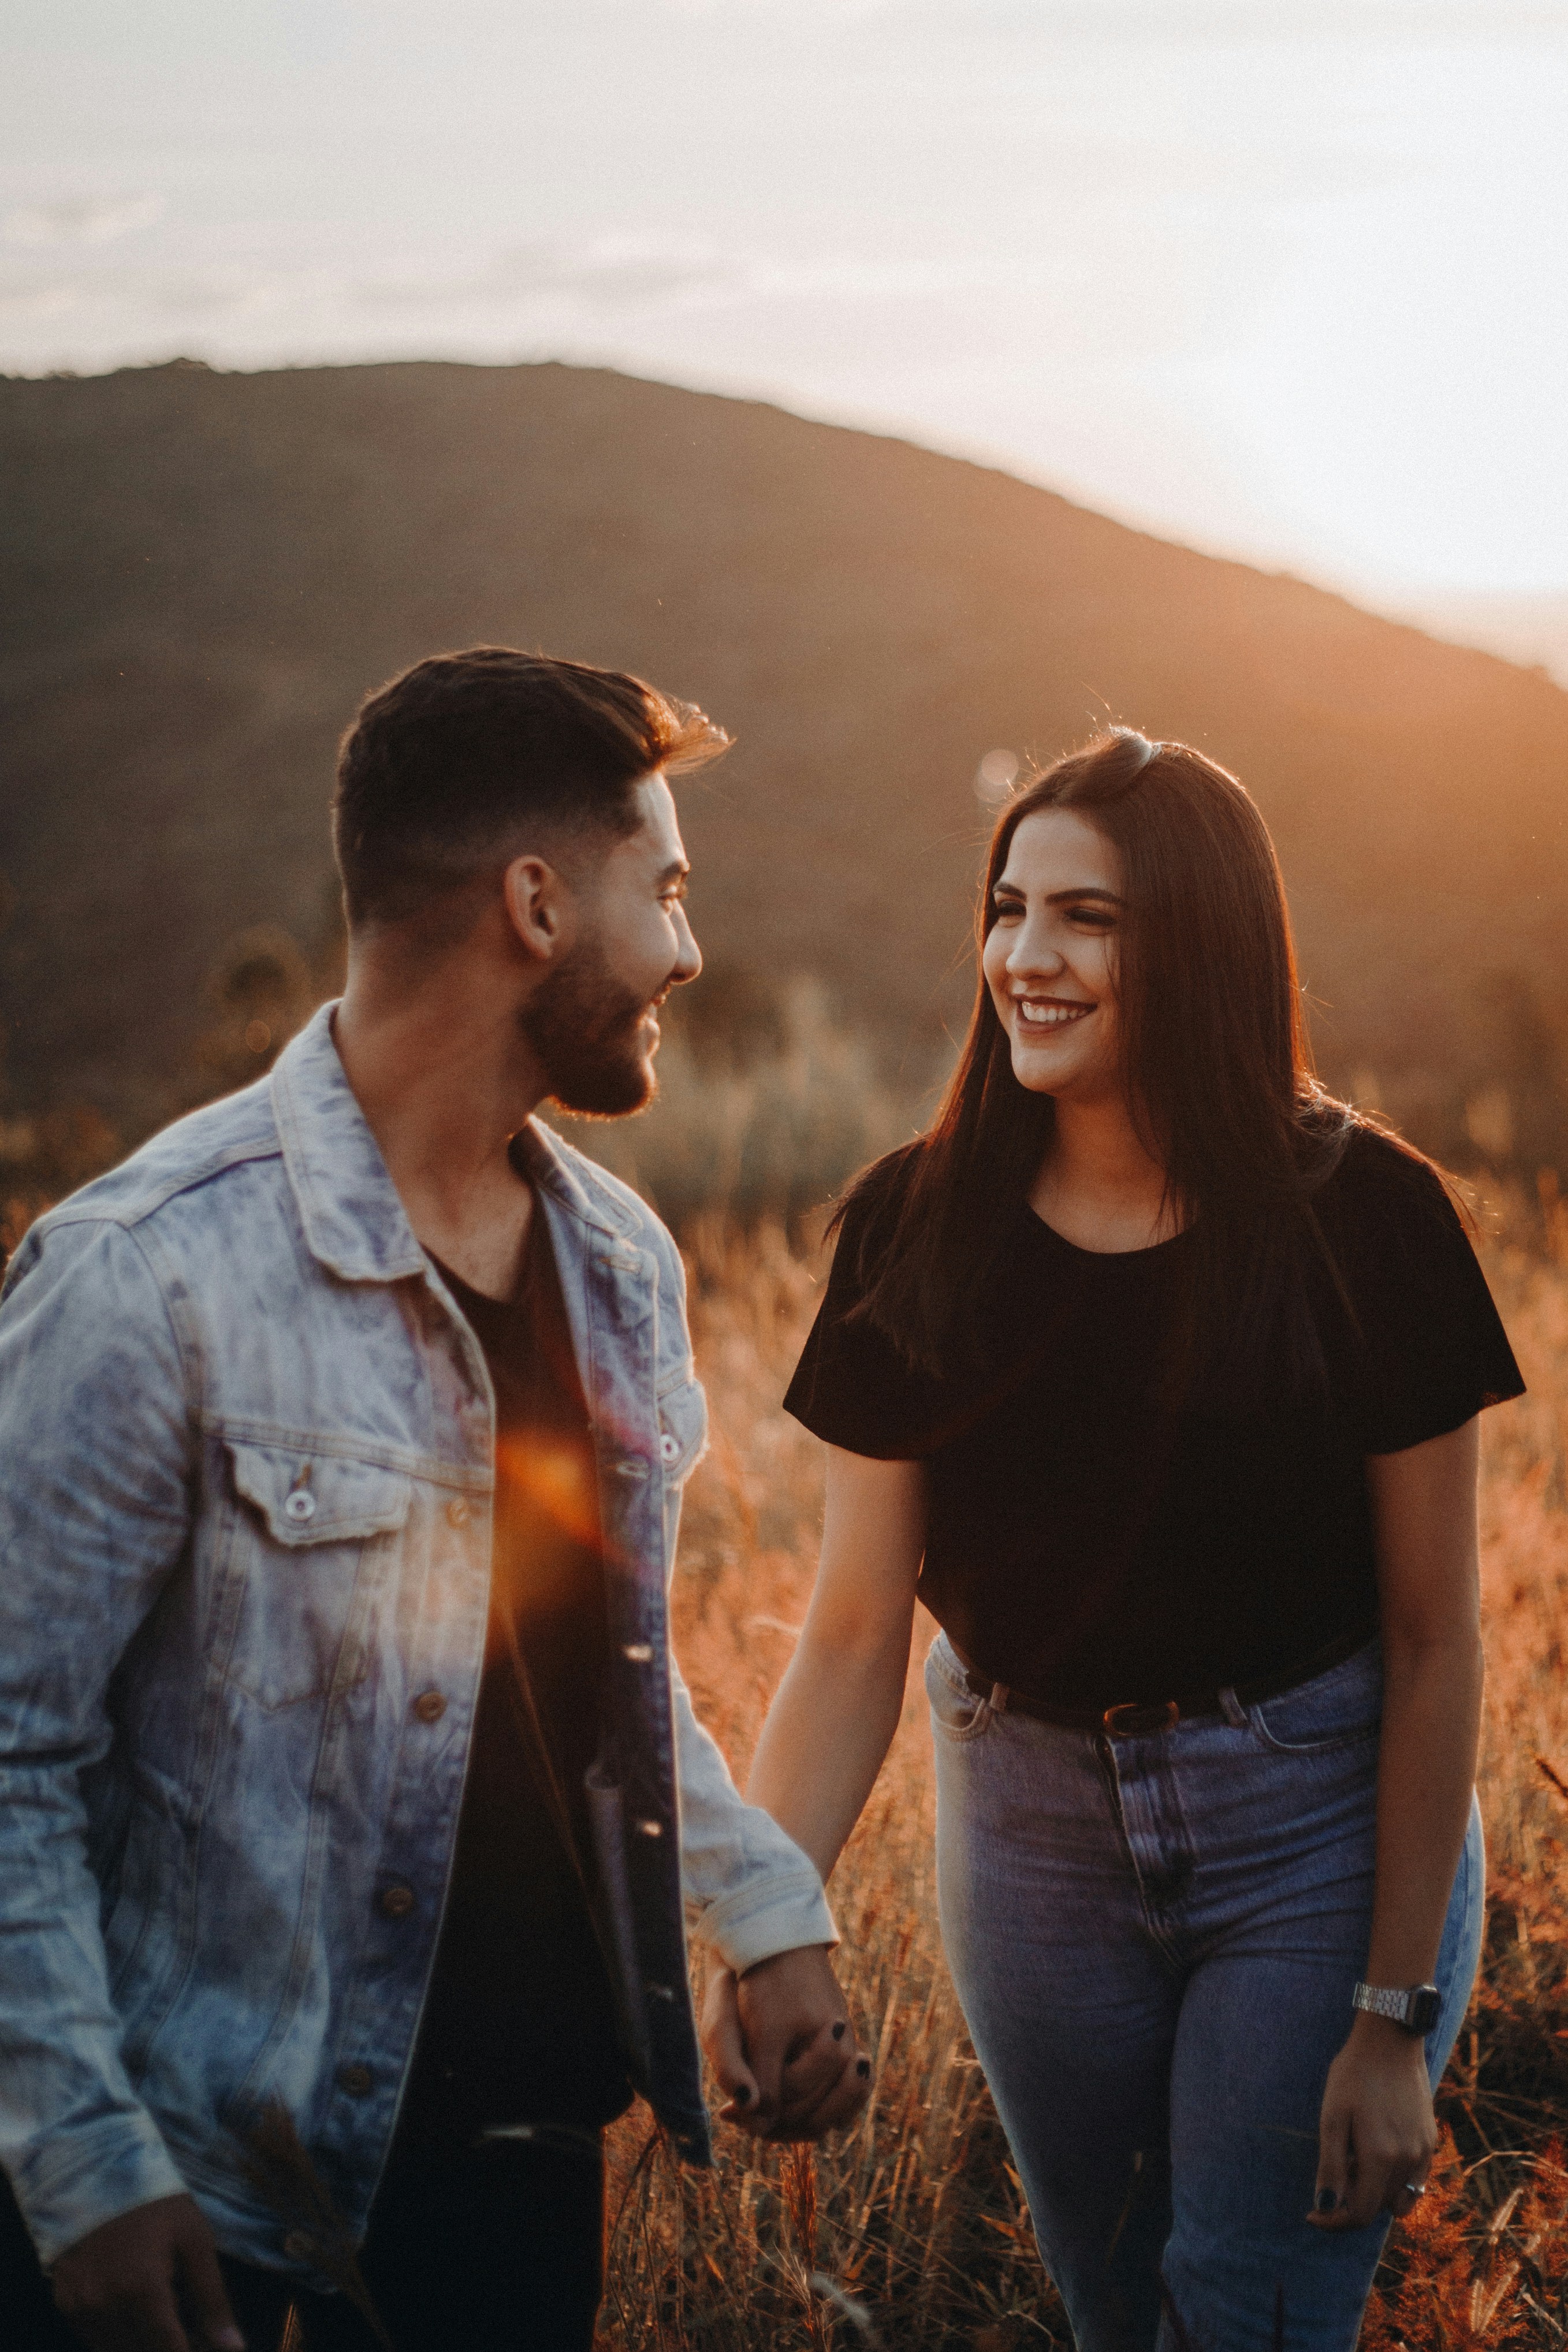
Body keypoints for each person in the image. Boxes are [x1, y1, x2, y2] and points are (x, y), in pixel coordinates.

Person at [0, 647, 869, 2352]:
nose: (688, 949)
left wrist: (763, 1912)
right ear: (535, 906)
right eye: (663, 890)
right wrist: (81, 2160)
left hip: (517, 2179)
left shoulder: (619, 1266)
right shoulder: (143, 1274)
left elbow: (601, 1679)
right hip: (204, 2207)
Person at [716, 730, 1522, 2351]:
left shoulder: (1365, 1218)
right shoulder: (908, 1229)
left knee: (1242, 2312)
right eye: (1009, 908)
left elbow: (1434, 1637)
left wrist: (1391, 2018)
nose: (1027, 955)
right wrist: (758, 1922)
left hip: (1310, 1821)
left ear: (1203, 946)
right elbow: (855, 1631)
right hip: (1030, 1838)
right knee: (1110, 2300)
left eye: (1087, 918)